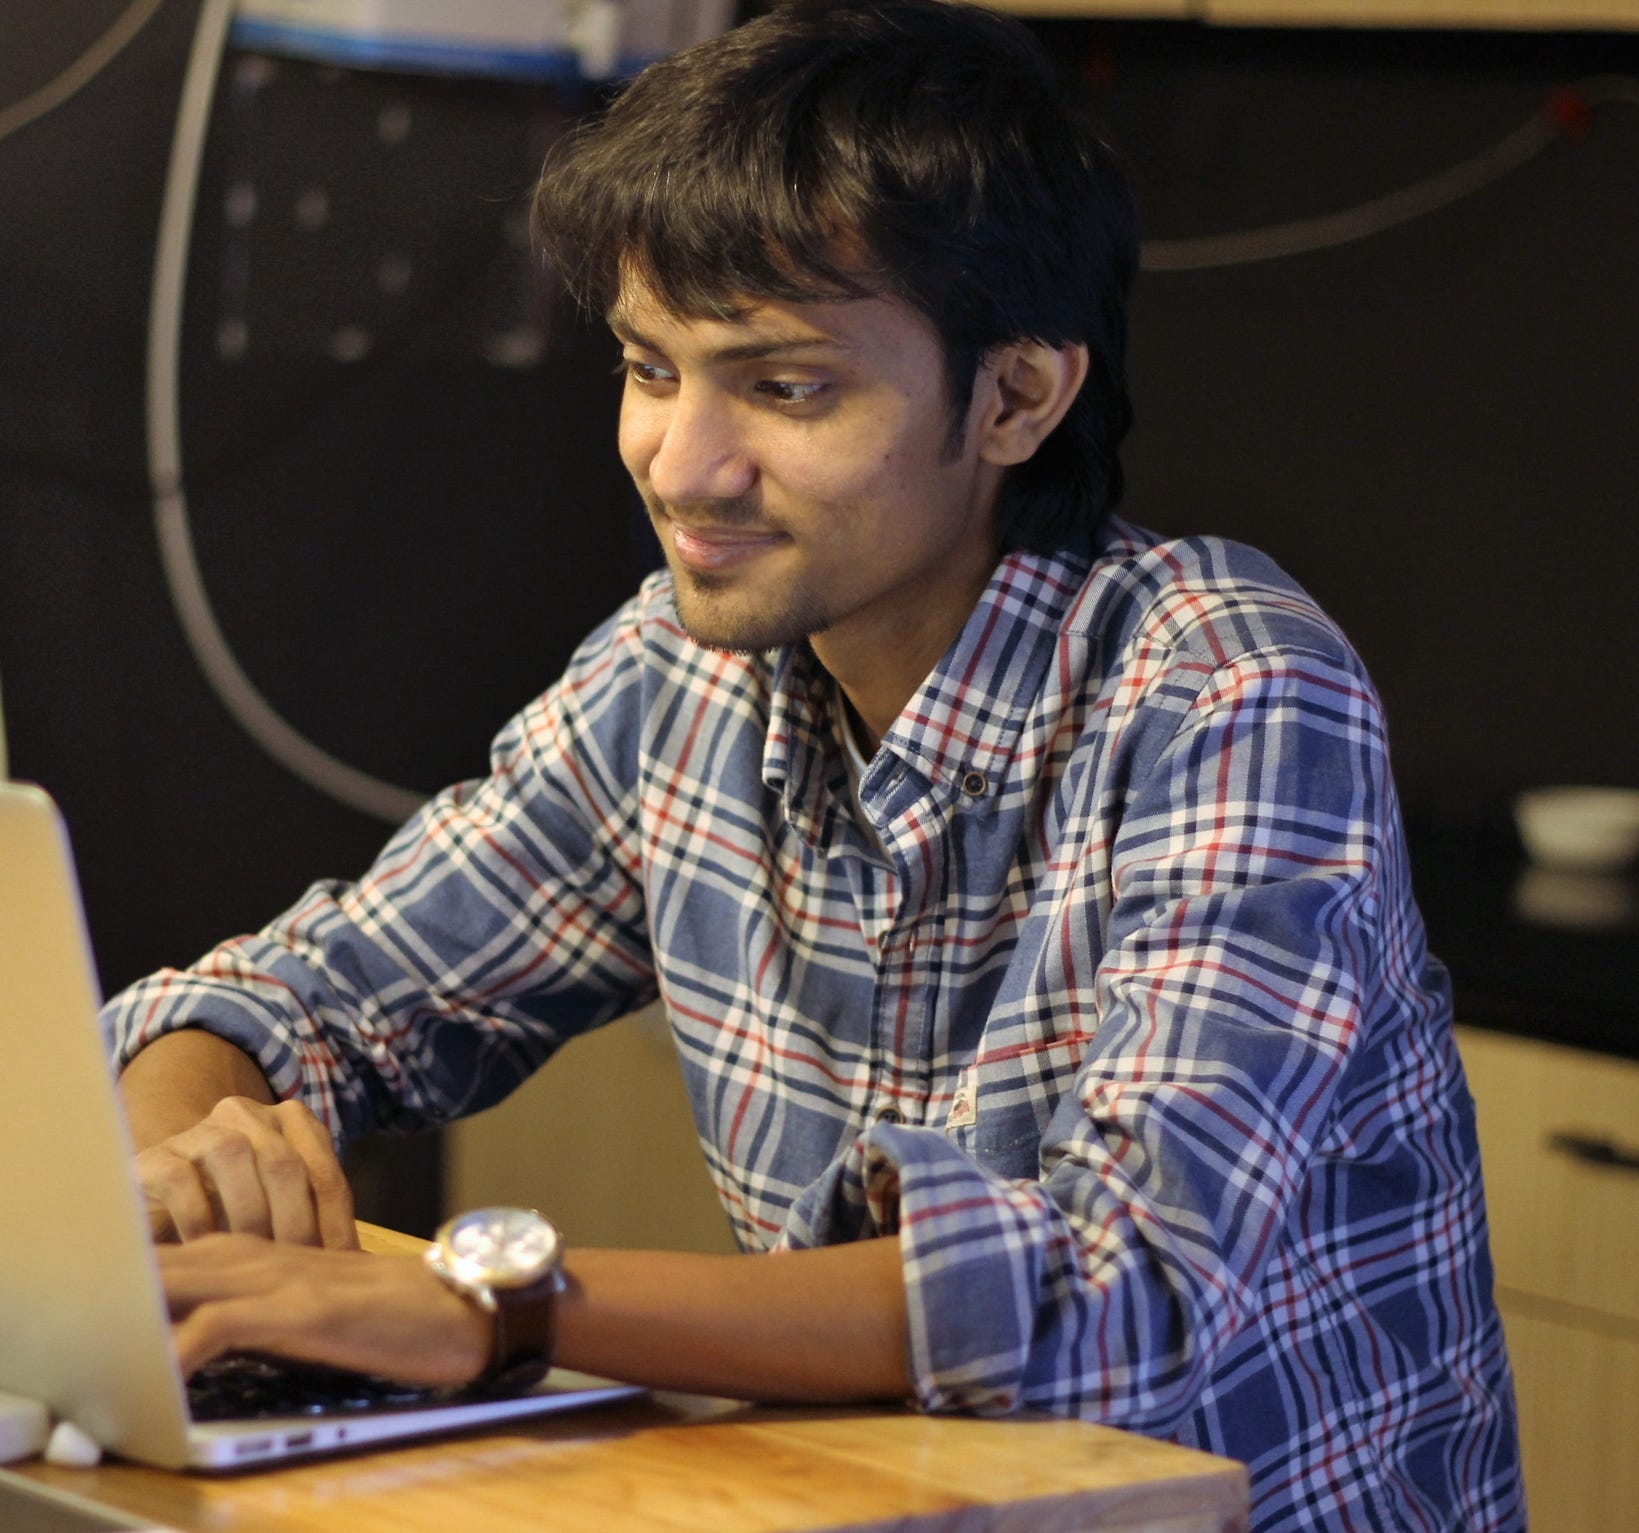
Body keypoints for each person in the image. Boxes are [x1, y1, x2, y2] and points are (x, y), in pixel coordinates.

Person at [104, 2, 1523, 1528]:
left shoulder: (1225, 687)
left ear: (1018, 397)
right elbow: (299, 998)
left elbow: (1119, 1291)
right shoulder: (680, 670)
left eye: (785, 388)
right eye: (651, 368)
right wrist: (194, 1160)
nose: (681, 464)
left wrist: (494, 1306)